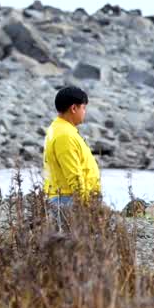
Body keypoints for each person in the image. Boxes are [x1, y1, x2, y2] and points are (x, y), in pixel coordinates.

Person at [43, 86, 100, 215]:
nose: (85, 112)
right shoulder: (65, 135)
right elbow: (74, 175)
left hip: (66, 199)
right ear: (74, 108)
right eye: (83, 108)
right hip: (68, 200)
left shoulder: (60, 129)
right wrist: (86, 205)